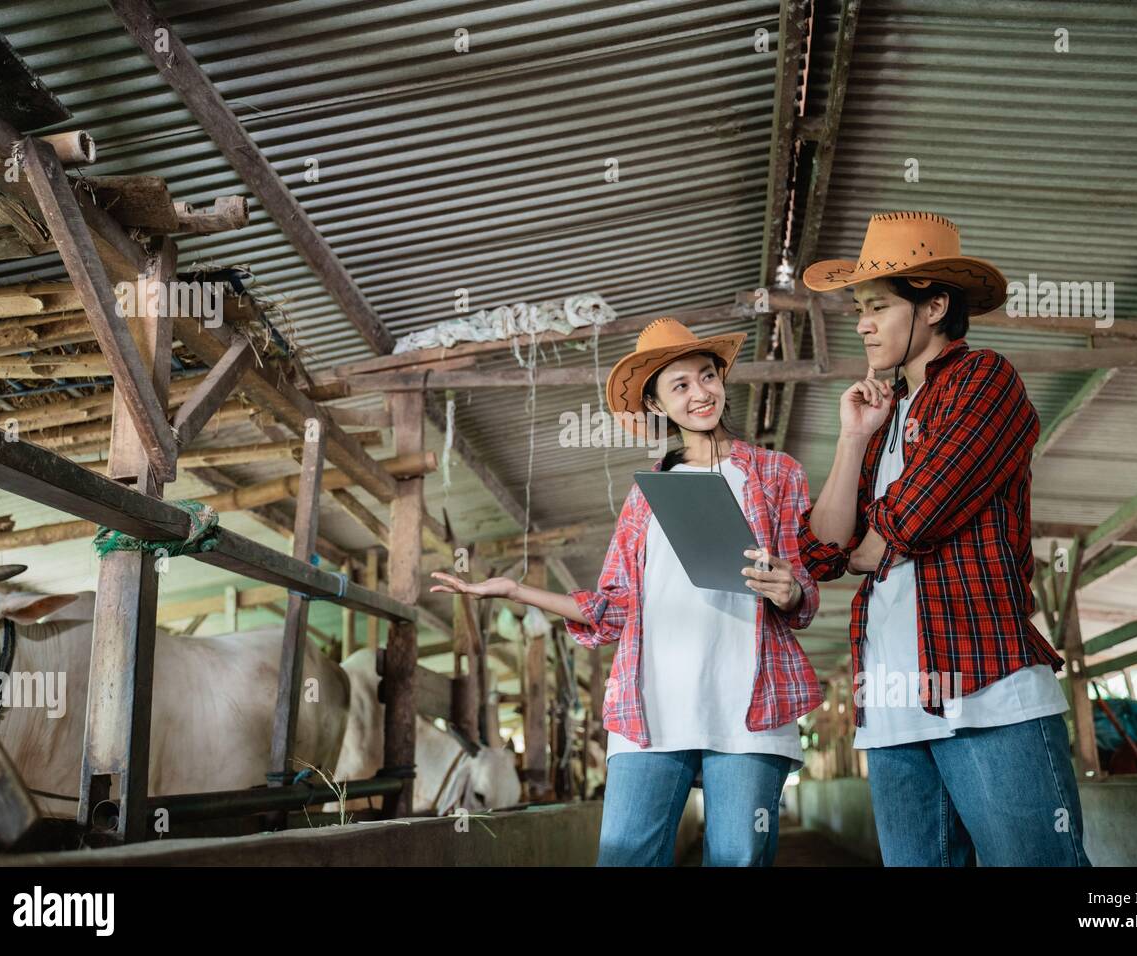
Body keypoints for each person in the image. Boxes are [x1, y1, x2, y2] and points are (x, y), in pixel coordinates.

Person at [431, 318, 823, 866]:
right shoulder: (647, 498)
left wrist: (789, 591)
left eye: (706, 376)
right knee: (624, 856)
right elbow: (610, 610)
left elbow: (804, 590)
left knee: (738, 857)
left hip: (748, 705)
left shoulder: (778, 473)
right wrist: (515, 591)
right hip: (650, 707)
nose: (700, 393)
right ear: (659, 404)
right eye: (679, 385)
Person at [798, 211, 1090, 866]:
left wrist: (872, 540)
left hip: (986, 690)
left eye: (876, 306)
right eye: (858, 310)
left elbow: (915, 517)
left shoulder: (987, 380)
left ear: (933, 304)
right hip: (892, 709)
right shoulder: (880, 419)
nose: (862, 323)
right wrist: (851, 439)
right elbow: (823, 552)